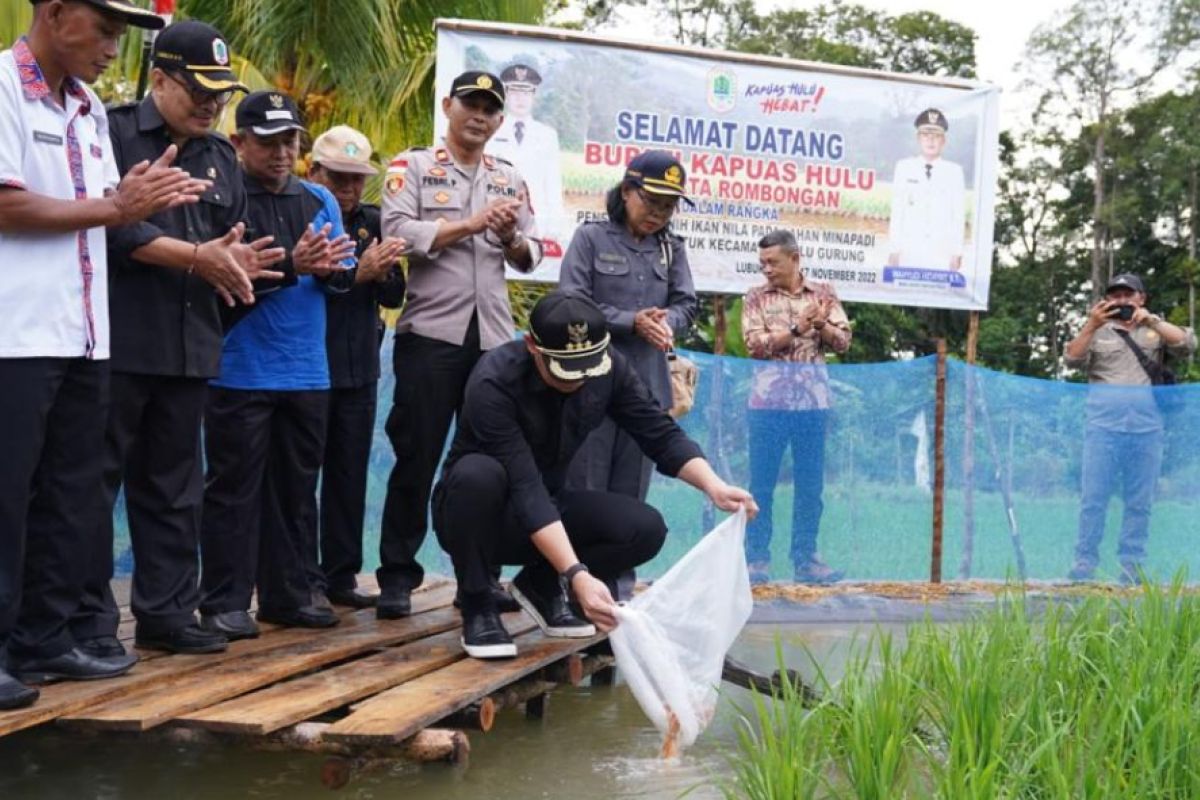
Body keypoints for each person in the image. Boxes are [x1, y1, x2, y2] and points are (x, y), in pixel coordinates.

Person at [0, 0, 202, 708]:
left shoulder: (87, 108)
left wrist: (133, 206)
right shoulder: (1, 91)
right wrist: (118, 209)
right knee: (8, 496)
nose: (117, 47)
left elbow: (110, 212)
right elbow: (6, 203)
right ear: (55, 14)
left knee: (71, 496)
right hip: (15, 336)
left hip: (85, 335)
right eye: (107, 29)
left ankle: (44, 639)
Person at [72, 19, 287, 660]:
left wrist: (236, 264)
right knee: (92, 485)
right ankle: (88, 623)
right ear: (159, 79)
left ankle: (167, 611)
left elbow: (225, 244)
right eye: (198, 90)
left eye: (220, 94)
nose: (210, 104)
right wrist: (197, 256)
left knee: (175, 489)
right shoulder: (108, 132)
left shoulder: (221, 156)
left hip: (191, 345)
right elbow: (109, 229)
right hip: (118, 341)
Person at [433, 291, 757, 659]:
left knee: (644, 528)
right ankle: (478, 603)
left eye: (589, 366)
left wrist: (714, 486)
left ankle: (541, 585)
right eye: (568, 369)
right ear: (532, 347)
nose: (580, 379)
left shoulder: (610, 366)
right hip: (481, 519)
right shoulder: (494, 380)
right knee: (478, 474)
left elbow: (658, 432)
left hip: (550, 508)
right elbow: (525, 489)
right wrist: (577, 573)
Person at [377, 70, 541, 619]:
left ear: (499, 120)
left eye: (490, 109)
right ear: (447, 106)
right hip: (431, 335)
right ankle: (398, 577)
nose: (479, 115)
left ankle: (481, 578)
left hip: (493, 340)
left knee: (487, 465)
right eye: (469, 104)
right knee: (417, 456)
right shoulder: (414, 166)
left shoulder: (510, 177)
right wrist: (471, 224)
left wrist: (511, 237)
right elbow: (397, 235)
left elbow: (532, 255)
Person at [198, 91, 357, 637]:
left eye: (290, 140)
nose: (281, 152)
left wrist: (337, 269)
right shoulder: (224, 200)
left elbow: (341, 274)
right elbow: (221, 283)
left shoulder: (319, 200)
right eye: (268, 142)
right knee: (232, 490)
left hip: (308, 371)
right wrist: (295, 263)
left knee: (296, 489)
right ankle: (224, 600)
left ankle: (290, 593)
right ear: (239, 142)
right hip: (238, 368)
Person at [560, 150, 698, 502]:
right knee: (584, 495)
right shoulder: (590, 238)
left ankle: (623, 560)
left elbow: (686, 305)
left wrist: (666, 322)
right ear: (626, 191)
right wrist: (630, 322)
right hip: (589, 384)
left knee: (631, 499)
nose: (658, 213)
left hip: (647, 390)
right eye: (651, 201)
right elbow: (572, 303)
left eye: (668, 206)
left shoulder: (672, 249)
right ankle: (575, 560)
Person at [307, 125, 407, 608]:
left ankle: (340, 577)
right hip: (307, 367)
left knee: (348, 476)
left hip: (360, 367)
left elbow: (393, 295)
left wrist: (383, 269)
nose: (348, 190)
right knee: (302, 477)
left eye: (356, 179)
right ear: (314, 172)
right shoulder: (301, 216)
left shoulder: (372, 220)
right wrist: (357, 274)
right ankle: (300, 577)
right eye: (338, 178)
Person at [1064, 273, 1195, 583]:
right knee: (1093, 500)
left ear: (1141, 298)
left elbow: (1188, 344)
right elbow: (1071, 358)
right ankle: (1084, 563)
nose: (1122, 301)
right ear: (1107, 300)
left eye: (1128, 295)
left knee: (1140, 502)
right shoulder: (1097, 330)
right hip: (1102, 428)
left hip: (1147, 430)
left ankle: (1131, 566)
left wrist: (1151, 321)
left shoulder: (1155, 328)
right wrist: (1091, 324)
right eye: (1116, 295)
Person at [741, 230, 852, 585]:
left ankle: (806, 560)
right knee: (761, 486)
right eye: (762, 264)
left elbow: (844, 341)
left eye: (773, 262)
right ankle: (755, 560)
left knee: (810, 486)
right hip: (767, 405)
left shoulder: (824, 295)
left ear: (795, 258)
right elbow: (753, 345)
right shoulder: (755, 297)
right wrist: (795, 328)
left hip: (812, 405)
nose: (767, 270)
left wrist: (821, 325)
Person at [491, 63, 566, 252]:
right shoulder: (492, 130)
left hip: (537, 220)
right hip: (497, 218)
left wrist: (554, 225)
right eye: (515, 92)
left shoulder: (547, 135)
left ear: (534, 96)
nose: (520, 99)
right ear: (506, 95)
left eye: (526, 93)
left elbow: (552, 182)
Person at [886, 108, 966, 271]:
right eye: (926, 135)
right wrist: (893, 249)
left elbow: (958, 216)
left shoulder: (954, 172)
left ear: (944, 141)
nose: (931, 141)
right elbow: (897, 211)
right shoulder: (904, 168)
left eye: (936, 136)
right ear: (918, 139)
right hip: (909, 253)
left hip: (941, 255)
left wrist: (957, 252)